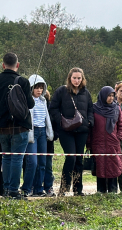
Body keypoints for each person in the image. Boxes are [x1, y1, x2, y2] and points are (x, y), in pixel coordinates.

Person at [0, 53, 34, 199]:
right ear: (17, 65)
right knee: (17, 158)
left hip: (0, 126)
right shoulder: (23, 81)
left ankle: (6, 189)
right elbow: (31, 104)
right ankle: (14, 190)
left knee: (6, 158)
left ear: (3, 65)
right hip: (19, 125)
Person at [49, 67, 94, 196]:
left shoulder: (86, 93)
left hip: (82, 131)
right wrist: (61, 121)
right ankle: (63, 189)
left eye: (79, 78)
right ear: (70, 78)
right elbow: (53, 108)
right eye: (74, 78)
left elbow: (90, 109)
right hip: (66, 131)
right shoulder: (61, 91)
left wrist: (89, 121)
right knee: (71, 158)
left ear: (82, 79)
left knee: (79, 160)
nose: (76, 80)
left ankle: (77, 190)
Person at [21, 74, 54, 197]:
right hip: (32, 133)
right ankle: (26, 188)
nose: (39, 90)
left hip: (42, 132)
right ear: (31, 88)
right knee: (32, 162)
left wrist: (49, 132)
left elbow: (46, 118)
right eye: (36, 88)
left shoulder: (43, 101)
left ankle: (38, 189)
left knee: (42, 162)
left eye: (41, 88)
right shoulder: (28, 101)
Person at [88, 86, 122, 193]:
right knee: (100, 167)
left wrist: (119, 137)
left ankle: (113, 190)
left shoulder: (116, 108)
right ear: (103, 95)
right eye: (109, 95)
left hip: (113, 143)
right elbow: (90, 127)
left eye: (113, 95)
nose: (111, 98)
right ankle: (101, 191)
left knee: (113, 166)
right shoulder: (94, 108)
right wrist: (89, 142)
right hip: (98, 143)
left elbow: (121, 124)